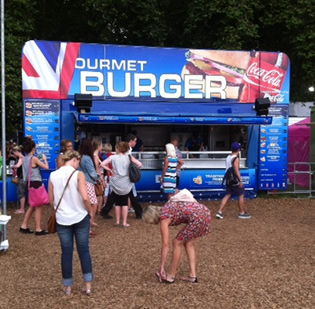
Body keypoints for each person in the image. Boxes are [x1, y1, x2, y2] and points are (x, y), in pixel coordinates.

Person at [48, 150, 93, 296]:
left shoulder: (53, 175)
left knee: (66, 252)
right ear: (74, 159)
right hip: (80, 216)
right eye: (78, 161)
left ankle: (68, 287)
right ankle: (88, 285)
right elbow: (85, 197)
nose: (78, 164)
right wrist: (90, 212)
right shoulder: (78, 174)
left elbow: (51, 200)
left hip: (62, 219)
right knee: (84, 250)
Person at [143, 189, 211, 284]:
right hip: (205, 212)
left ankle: (171, 276)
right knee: (188, 243)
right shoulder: (167, 206)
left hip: (197, 218)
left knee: (176, 242)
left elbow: (165, 245)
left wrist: (162, 267)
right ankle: (192, 276)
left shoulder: (164, 218)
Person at [101, 141, 142, 227]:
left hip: (115, 182)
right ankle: (124, 222)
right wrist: (131, 170)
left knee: (117, 203)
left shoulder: (113, 157)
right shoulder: (129, 157)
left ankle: (117, 222)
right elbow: (140, 165)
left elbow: (102, 164)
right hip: (126, 182)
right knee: (124, 203)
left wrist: (109, 170)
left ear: (118, 149)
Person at [19, 138, 50, 235]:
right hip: (36, 183)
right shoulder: (34, 159)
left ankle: (24, 225)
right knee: (39, 207)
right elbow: (46, 167)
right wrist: (44, 159)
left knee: (32, 206)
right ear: (33, 148)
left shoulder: (24, 159)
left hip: (29, 183)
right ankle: (38, 229)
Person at [216, 142, 251, 219]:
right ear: (238, 150)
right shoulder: (236, 159)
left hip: (228, 179)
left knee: (228, 194)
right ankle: (241, 212)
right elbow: (236, 170)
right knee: (241, 193)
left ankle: (220, 212)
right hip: (234, 180)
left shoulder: (228, 157)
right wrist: (241, 180)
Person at [78, 139, 100, 231]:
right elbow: (92, 173)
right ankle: (88, 226)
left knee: (83, 204)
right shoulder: (87, 158)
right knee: (93, 204)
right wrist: (99, 178)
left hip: (81, 182)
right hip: (88, 182)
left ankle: (84, 225)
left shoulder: (80, 157)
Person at [11, 146, 26, 214]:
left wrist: (12, 166)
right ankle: (21, 208)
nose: (14, 154)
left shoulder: (21, 158)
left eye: (14, 153)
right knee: (21, 193)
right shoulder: (24, 157)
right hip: (23, 178)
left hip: (21, 178)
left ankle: (22, 209)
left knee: (21, 193)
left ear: (17, 152)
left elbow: (17, 166)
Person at [92, 139, 105, 214]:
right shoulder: (95, 156)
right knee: (99, 194)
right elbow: (97, 168)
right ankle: (98, 209)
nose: (102, 147)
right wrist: (101, 178)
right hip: (98, 177)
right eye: (101, 145)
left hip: (96, 176)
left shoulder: (94, 155)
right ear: (98, 146)